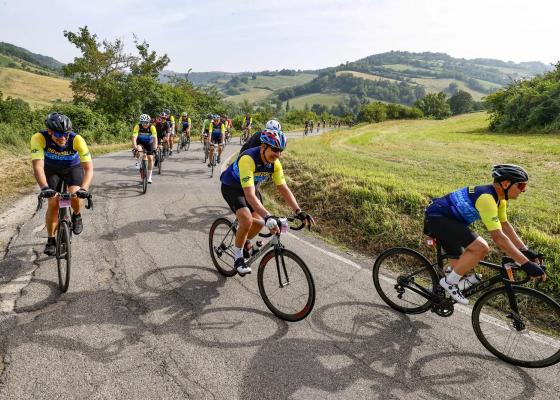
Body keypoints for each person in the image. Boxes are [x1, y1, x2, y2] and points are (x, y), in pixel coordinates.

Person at [423, 164, 545, 304]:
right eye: (521, 186)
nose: (523, 190)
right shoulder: (487, 198)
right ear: (505, 183)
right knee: (481, 248)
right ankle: (449, 283)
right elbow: (498, 237)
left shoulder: (500, 200)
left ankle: (439, 293)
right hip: (437, 218)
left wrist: (526, 251)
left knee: (460, 267)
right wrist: (526, 264)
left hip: (451, 221)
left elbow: (505, 226)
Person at [220, 129, 314, 275]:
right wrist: (268, 216)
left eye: (280, 151)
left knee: (257, 224)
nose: (278, 154)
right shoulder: (248, 159)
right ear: (263, 147)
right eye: (275, 149)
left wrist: (298, 211)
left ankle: (243, 240)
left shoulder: (275, 164)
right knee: (246, 220)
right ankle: (238, 258)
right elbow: (249, 195)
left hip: (250, 187)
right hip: (232, 187)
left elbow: (283, 188)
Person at [30, 113, 93, 256]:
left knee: (76, 196)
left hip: (72, 168)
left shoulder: (77, 139)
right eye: (59, 133)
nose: (63, 137)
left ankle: (77, 215)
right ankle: (51, 240)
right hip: (52, 170)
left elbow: (88, 168)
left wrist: (84, 189)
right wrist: (44, 187)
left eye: (66, 133)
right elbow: (38, 167)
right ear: (49, 131)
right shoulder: (39, 138)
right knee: (53, 202)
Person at [132, 113, 157, 183]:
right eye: (142, 122)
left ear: (149, 122)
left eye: (146, 122)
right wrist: (135, 147)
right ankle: (139, 162)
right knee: (139, 149)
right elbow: (134, 137)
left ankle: (149, 177)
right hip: (140, 142)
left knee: (150, 158)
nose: (144, 124)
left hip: (149, 143)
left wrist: (155, 147)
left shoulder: (152, 127)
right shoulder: (137, 126)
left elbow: (155, 138)